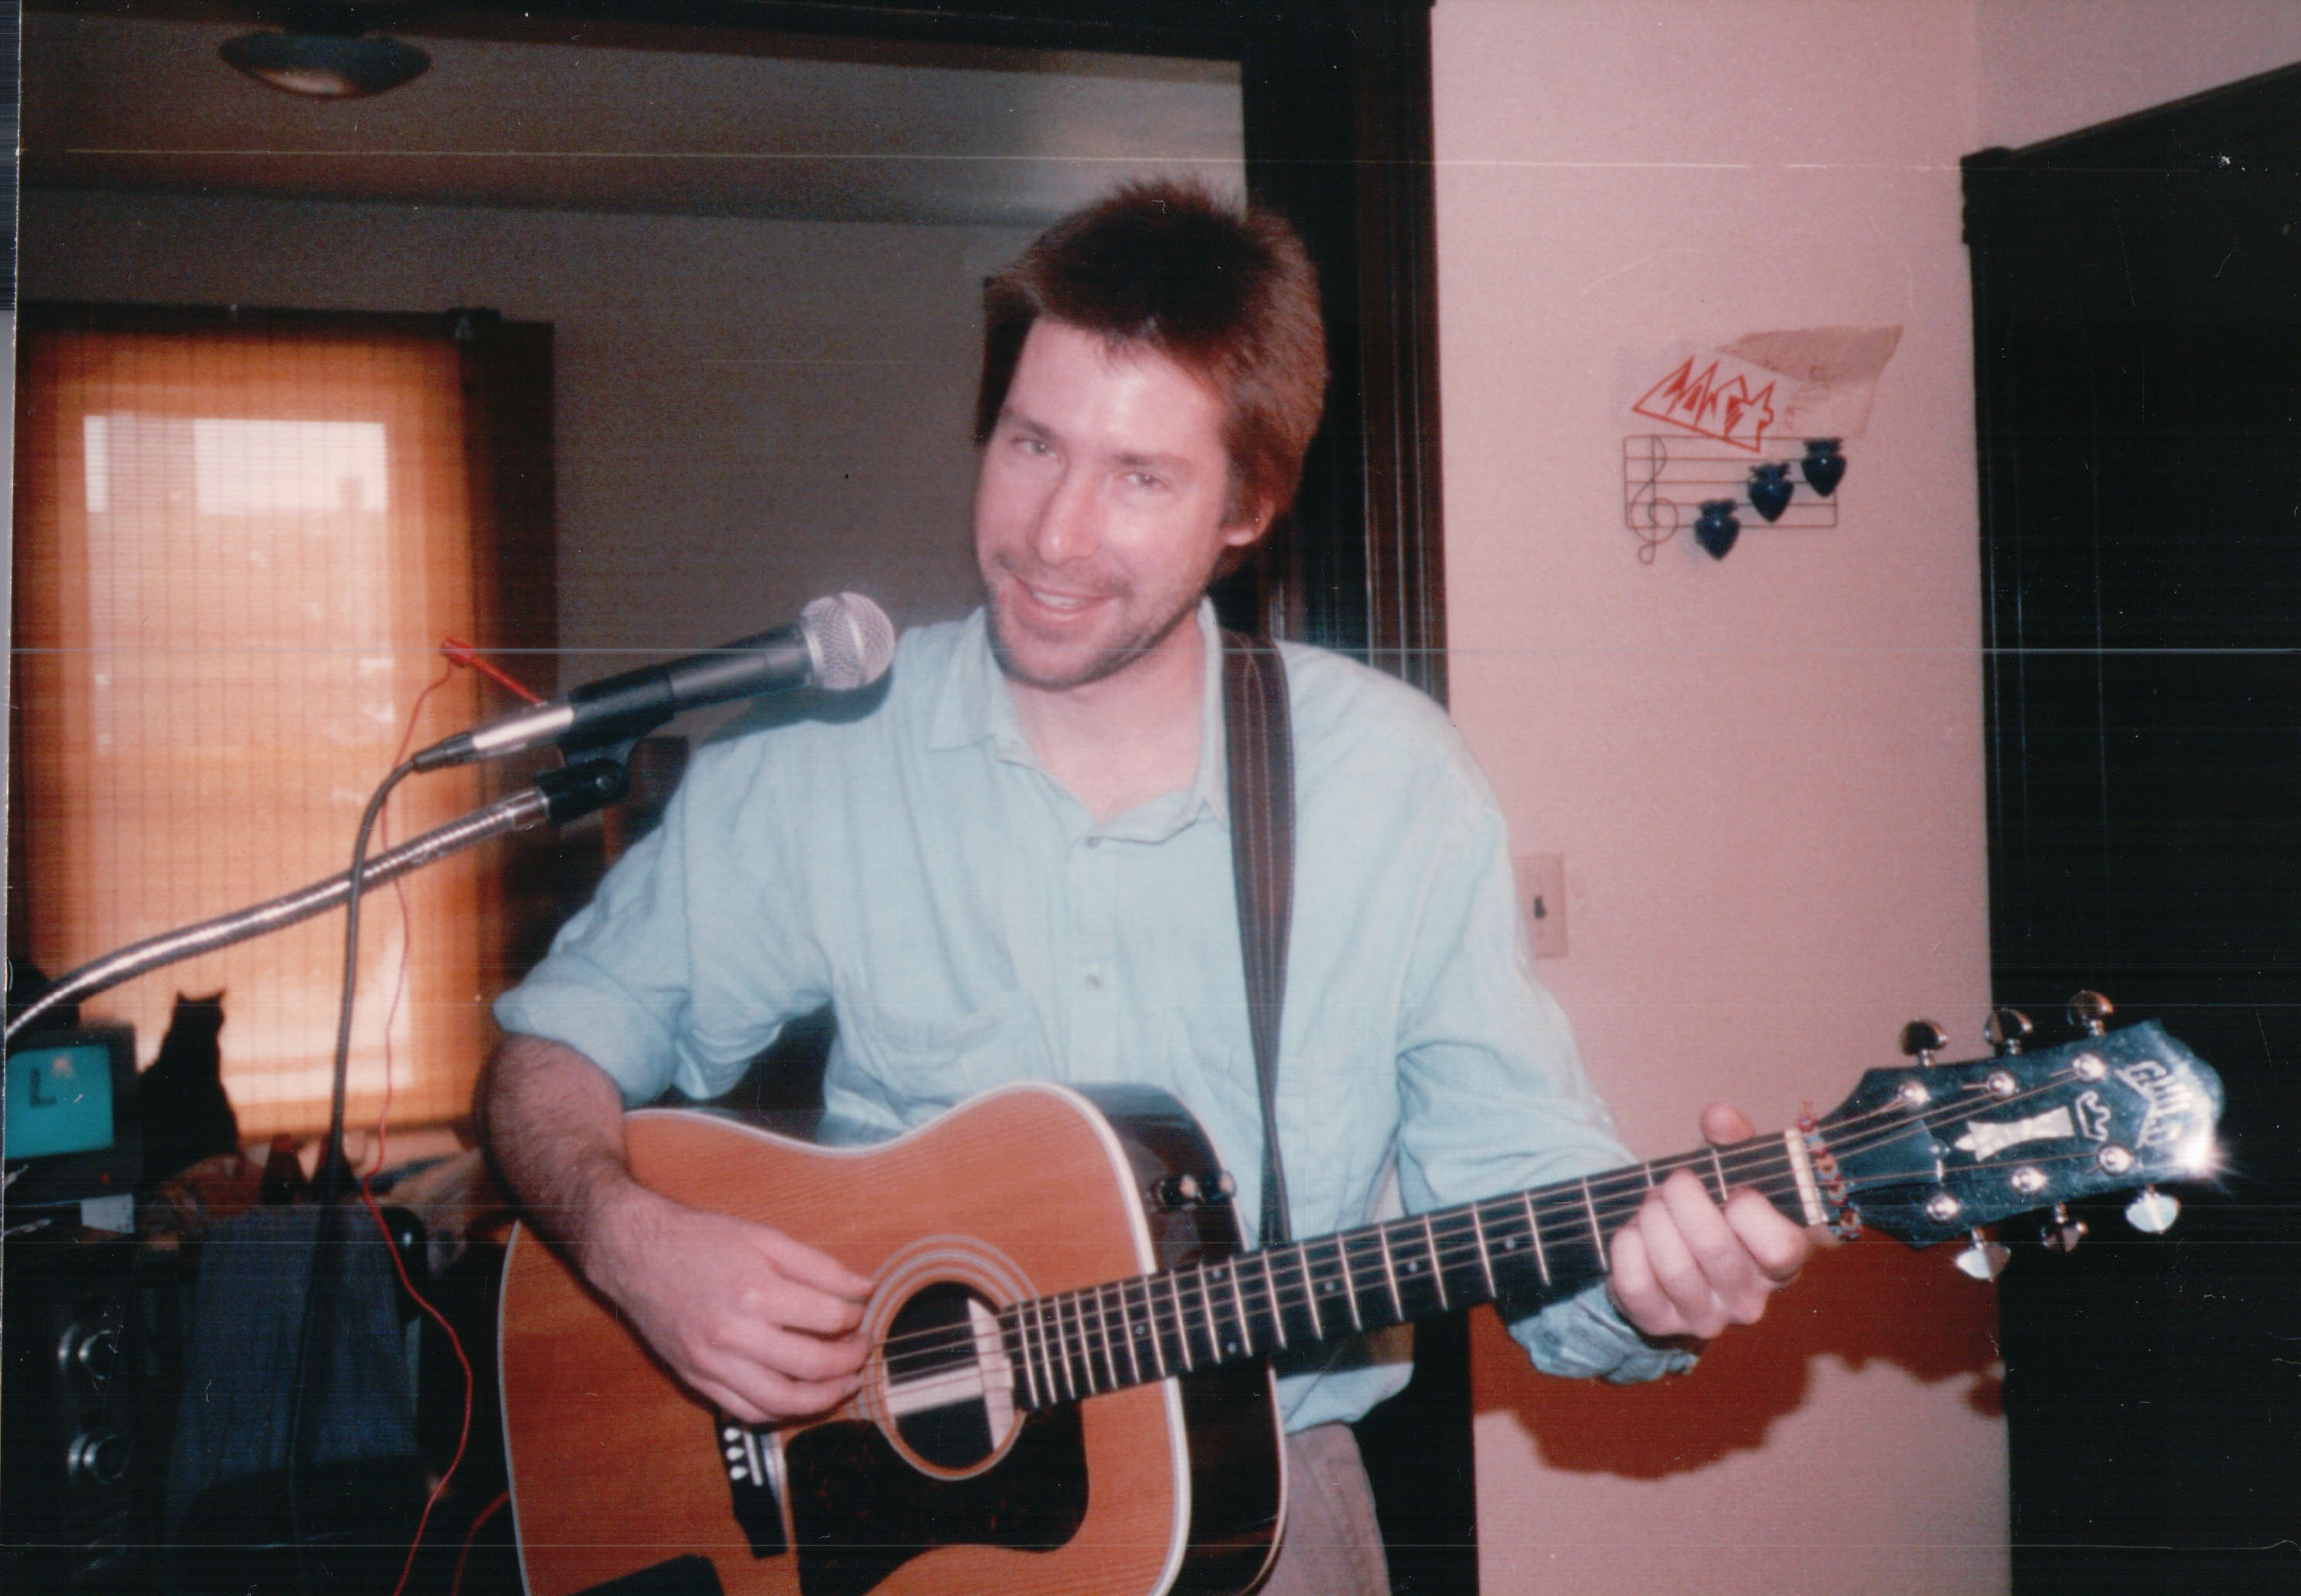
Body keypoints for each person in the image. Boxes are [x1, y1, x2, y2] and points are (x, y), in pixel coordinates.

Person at [479, 181, 1810, 1595]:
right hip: (866, 1543)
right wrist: (633, 1244)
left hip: (1262, 1519)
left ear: (1248, 508)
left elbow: (1520, 1185)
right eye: (1032, 442)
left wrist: (1654, 1292)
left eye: (1141, 477)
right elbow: (551, 1055)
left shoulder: (1390, 788)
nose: (1054, 536)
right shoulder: (823, 758)